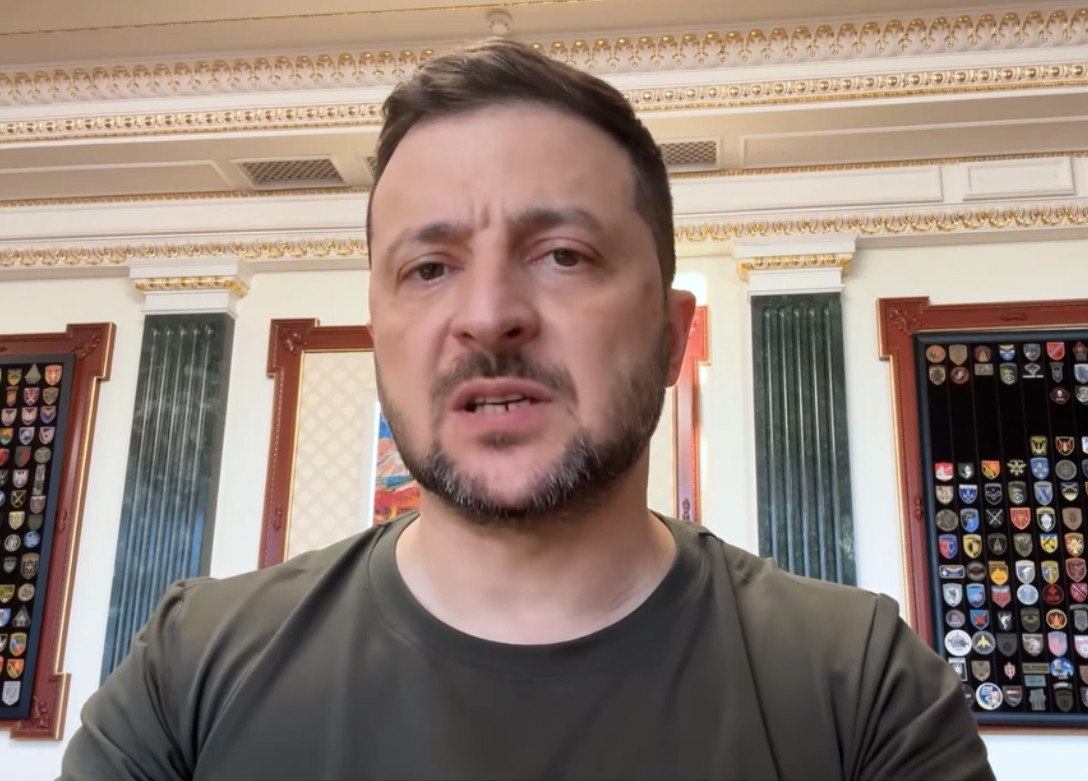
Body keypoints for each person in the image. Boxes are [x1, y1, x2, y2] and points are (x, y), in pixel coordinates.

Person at [60, 38, 995, 780]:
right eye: (430, 267)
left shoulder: (859, 687)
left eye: (562, 255)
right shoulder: (190, 670)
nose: (487, 314)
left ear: (671, 335)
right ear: (380, 334)